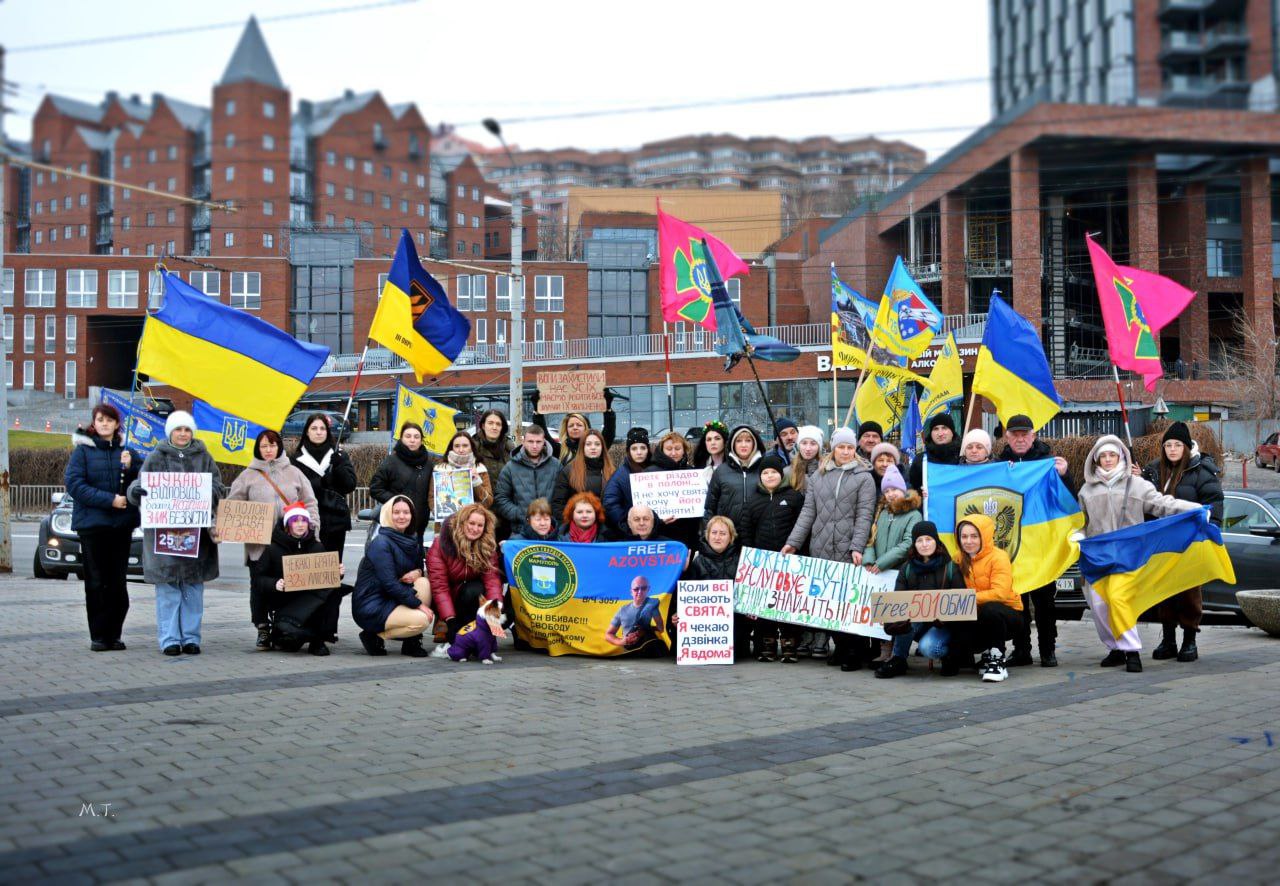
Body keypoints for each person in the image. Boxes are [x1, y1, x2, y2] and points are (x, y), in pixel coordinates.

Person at [1079, 435, 1200, 672]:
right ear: (1096, 460)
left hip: (1128, 556)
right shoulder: (1086, 490)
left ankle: (1132, 651)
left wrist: (1193, 509)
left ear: (1121, 456)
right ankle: (1115, 648)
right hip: (1098, 558)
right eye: (1103, 456)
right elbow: (1082, 521)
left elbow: (1163, 504)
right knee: (1099, 605)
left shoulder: (1137, 485)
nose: (1108, 459)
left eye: (1112, 455)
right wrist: (1078, 535)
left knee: (1118, 598)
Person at [126, 411, 224, 656]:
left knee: (192, 590)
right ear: (170, 432)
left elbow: (218, 486)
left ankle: (191, 637)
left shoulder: (205, 457)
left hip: (196, 534)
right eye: (178, 429)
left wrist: (206, 494)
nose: (183, 434)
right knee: (169, 590)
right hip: (163, 535)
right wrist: (137, 491)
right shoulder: (155, 457)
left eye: (187, 430)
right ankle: (169, 639)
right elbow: (139, 485)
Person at [782, 427, 876, 671]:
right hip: (821, 546)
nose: (845, 451)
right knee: (830, 603)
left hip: (847, 548)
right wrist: (793, 542)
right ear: (833, 448)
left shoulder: (864, 477)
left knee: (848, 603)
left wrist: (857, 546)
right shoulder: (818, 477)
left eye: (850, 447)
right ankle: (841, 648)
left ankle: (854, 652)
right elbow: (808, 513)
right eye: (841, 447)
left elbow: (864, 515)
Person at [226, 429, 321, 650]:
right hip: (260, 544)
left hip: (290, 543)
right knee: (259, 588)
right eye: (264, 446)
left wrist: (312, 527)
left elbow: (310, 501)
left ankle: (286, 626)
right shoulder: (248, 475)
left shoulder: (294, 473)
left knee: (289, 587)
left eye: (272, 445)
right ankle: (262, 628)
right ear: (258, 449)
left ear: (279, 447)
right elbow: (233, 507)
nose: (269, 450)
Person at [1139, 421, 1224, 663]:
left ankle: (1189, 640)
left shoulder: (1201, 471)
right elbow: (1145, 503)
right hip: (1162, 544)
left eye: (1177, 445)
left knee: (1188, 592)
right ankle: (1168, 640)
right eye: (1168, 445)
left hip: (1191, 542)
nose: (1172, 449)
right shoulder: (1153, 471)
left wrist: (1211, 529)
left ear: (1186, 447)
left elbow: (1214, 503)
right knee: (1164, 591)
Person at [998, 413, 1074, 668]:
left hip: (1041, 544)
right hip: (1014, 545)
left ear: (1033, 436)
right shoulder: (999, 464)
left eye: (1024, 434)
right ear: (1007, 437)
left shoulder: (1047, 462)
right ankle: (1021, 650)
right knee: (1018, 600)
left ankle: (1047, 650)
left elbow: (1068, 499)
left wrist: (1064, 476)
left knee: (1044, 601)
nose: (1020, 439)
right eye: (1014, 435)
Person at [65, 403, 140, 651]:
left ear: (117, 424)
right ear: (94, 424)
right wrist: (110, 500)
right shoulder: (82, 453)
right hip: (93, 526)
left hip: (120, 527)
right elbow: (76, 485)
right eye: (100, 420)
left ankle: (115, 633)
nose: (105, 424)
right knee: (97, 582)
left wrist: (131, 469)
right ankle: (99, 635)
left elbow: (142, 485)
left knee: (117, 582)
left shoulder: (127, 451)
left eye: (109, 420)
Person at [876, 521, 967, 679]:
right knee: (906, 618)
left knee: (929, 648)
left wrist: (945, 619)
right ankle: (899, 658)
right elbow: (899, 601)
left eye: (928, 539)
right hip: (917, 623)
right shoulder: (907, 568)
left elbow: (961, 603)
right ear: (914, 544)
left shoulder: (950, 567)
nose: (924, 544)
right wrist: (892, 621)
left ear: (936, 540)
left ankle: (951, 655)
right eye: (919, 540)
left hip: (943, 625)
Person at [251, 502, 344, 656]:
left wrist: (337, 572)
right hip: (285, 601)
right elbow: (258, 579)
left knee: (333, 593)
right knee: (289, 644)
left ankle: (318, 640)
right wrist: (275, 584)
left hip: (310, 601)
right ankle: (279, 632)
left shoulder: (317, 547)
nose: (300, 525)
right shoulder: (273, 549)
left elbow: (326, 578)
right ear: (288, 524)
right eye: (296, 521)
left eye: (304, 521)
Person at [739, 453, 805, 662]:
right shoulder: (752, 500)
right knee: (765, 605)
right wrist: (750, 555)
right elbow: (746, 529)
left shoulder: (794, 497)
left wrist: (798, 550)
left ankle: (789, 644)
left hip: (790, 561)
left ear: (781, 474)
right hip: (763, 562)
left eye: (773, 472)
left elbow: (802, 527)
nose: (769, 476)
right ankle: (765, 644)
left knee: (788, 604)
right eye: (765, 473)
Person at [352, 494, 433, 657]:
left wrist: (417, 572)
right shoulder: (381, 542)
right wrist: (418, 605)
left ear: (412, 515)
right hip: (372, 604)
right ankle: (372, 634)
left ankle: (411, 643)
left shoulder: (412, 539)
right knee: (422, 620)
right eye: (396, 512)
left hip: (391, 598)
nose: (402, 516)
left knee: (424, 583)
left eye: (406, 512)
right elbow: (389, 583)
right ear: (389, 514)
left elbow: (418, 566)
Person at [863, 463, 922, 665]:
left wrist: (883, 562)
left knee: (897, 612)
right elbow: (871, 538)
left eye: (894, 489)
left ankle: (897, 651)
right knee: (881, 611)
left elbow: (908, 543)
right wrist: (870, 559)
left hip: (900, 571)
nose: (890, 494)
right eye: (887, 491)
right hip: (879, 571)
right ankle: (884, 649)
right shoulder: (881, 512)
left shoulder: (913, 514)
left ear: (903, 489)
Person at [950, 515, 1021, 682]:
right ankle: (985, 652)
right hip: (977, 613)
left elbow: (1000, 593)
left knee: (990, 608)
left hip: (1009, 616)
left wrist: (966, 598)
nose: (968, 541)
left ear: (985, 536)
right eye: (964, 536)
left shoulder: (999, 557)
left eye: (974, 536)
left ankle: (997, 659)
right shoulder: (957, 558)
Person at [426, 503, 505, 644]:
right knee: (472, 590)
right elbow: (440, 587)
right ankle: (454, 627)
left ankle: (478, 631)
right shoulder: (441, 544)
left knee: (479, 590)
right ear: (462, 522)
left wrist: (495, 611)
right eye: (471, 523)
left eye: (480, 525)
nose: (475, 529)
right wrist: (450, 621)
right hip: (447, 598)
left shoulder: (487, 545)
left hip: (471, 595)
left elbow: (492, 580)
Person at [289, 413, 356, 558]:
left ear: (327, 431)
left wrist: (339, 467)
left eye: (322, 428)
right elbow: (292, 490)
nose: (319, 432)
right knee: (310, 569)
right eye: (314, 428)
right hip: (307, 521)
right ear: (307, 431)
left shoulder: (338, 456)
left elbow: (350, 485)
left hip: (335, 521)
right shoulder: (296, 459)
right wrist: (319, 483)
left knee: (331, 571)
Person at [685, 515, 748, 660]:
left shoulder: (742, 561)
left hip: (734, 624)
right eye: (714, 533)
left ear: (731, 537)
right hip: (704, 630)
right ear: (707, 535)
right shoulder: (696, 562)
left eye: (723, 533)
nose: (717, 537)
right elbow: (687, 598)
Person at [786, 424, 826, 658]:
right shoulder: (788, 472)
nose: (808, 448)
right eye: (804, 443)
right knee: (801, 591)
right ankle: (804, 636)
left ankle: (820, 637)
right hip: (797, 536)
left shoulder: (827, 469)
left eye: (813, 444)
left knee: (819, 590)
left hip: (820, 537)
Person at [493, 423, 559, 537]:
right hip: (521, 530)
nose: (534, 446)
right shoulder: (510, 467)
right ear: (523, 442)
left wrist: (551, 516)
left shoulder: (556, 465)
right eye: (530, 441)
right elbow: (501, 498)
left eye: (538, 442)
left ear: (544, 442)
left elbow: (562, 497)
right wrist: (520, 513)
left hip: (550, 531)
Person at [369, 422, 434, 536]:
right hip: (394, 525)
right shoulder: (391, 461)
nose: (412, 440)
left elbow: (432, 493)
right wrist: (398, 502)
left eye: (416, 436)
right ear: (401, 439)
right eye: (408, 436)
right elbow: (375, 488)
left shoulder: (428, 464)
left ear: (421, 440)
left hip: (419, 527)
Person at [704, 425, 767, 533]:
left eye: (748, 440)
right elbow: (710, 509)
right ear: (733, 444)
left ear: (754, 443)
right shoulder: (721, 471)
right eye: (738, 441)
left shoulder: (765, 469)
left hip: (759, 535)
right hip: (727, 536)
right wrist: (707, 536)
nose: (743, 445)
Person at [531, 388, 617, 463]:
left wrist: (607, 409)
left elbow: (609, 433)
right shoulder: (560, 450)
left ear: (586, 427)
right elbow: (543, 435)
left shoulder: (595, 448)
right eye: (571, 425)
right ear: (566, 429)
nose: (575, 427)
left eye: (579, 425)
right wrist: (537, 412)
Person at [649, 431, 700, 549]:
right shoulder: (650, 473)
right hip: (660, 534)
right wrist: (659, 521)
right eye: (669, 449)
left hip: (688, 535)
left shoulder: (693, 473)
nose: (673, 453)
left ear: (684, 450)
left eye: (677, 448)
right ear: (662, 450)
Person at [550, 428, 614, 520]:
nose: (593, 447)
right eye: (588, 444)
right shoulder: (568, 471)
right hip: (576, 528)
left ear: (602, 447)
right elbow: (558, 504)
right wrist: (572, 524)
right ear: (582, 447)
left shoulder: (611, 471)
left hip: (605, 528)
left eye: (597, 444)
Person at [603, 427, 656, 534]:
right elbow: (610, 503)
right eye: (634, 448)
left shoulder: (657, 471)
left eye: (643, 448)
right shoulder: (620, 475)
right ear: (628, 451)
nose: (639, 452)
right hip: (630, 533)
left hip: (655, 530)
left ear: (648, 450)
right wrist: (628, 524)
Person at [436, 430, 494, 518]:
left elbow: (488, 502)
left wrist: (476, 481)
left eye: (465, 446)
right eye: (457, 446)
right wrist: (439, 511)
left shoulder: (480, 469)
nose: (461, 450)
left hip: (473, 523)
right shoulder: (440, 469)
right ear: (451, 448)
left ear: (471, 447)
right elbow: (432, 497)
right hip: (445, 523)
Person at [604, 576, 665, 651]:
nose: (640, 591)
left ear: (648, 589)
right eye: (636, 589)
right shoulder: (622, 610)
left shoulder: (652, 605)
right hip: (628, 653)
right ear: (631, 592)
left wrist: (643, 631)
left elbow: (660, 628)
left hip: (648, 652)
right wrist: (622, 641)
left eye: (643, 588)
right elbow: (608, 634)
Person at [908, 413, 961, 492]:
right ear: (931, 433)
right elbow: (912, 489)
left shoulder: (963, 457)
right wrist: (919, 493)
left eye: (944, 428)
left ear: (952, 432)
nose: (940, 433)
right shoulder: (920, 460)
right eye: (936, 429)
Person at [474, 409, 512, 482]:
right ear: (483, 426)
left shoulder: (510, 450)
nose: (494, 427)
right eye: (490, 423)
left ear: (502, 428)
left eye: (498, 424)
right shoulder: (472, 448)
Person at [693, 420, 730, 485]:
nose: (713, 443)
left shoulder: (734, 466)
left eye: (717, 438)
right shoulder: (699, 468)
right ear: (705, 443)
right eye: (709, 439)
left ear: (724, 441)